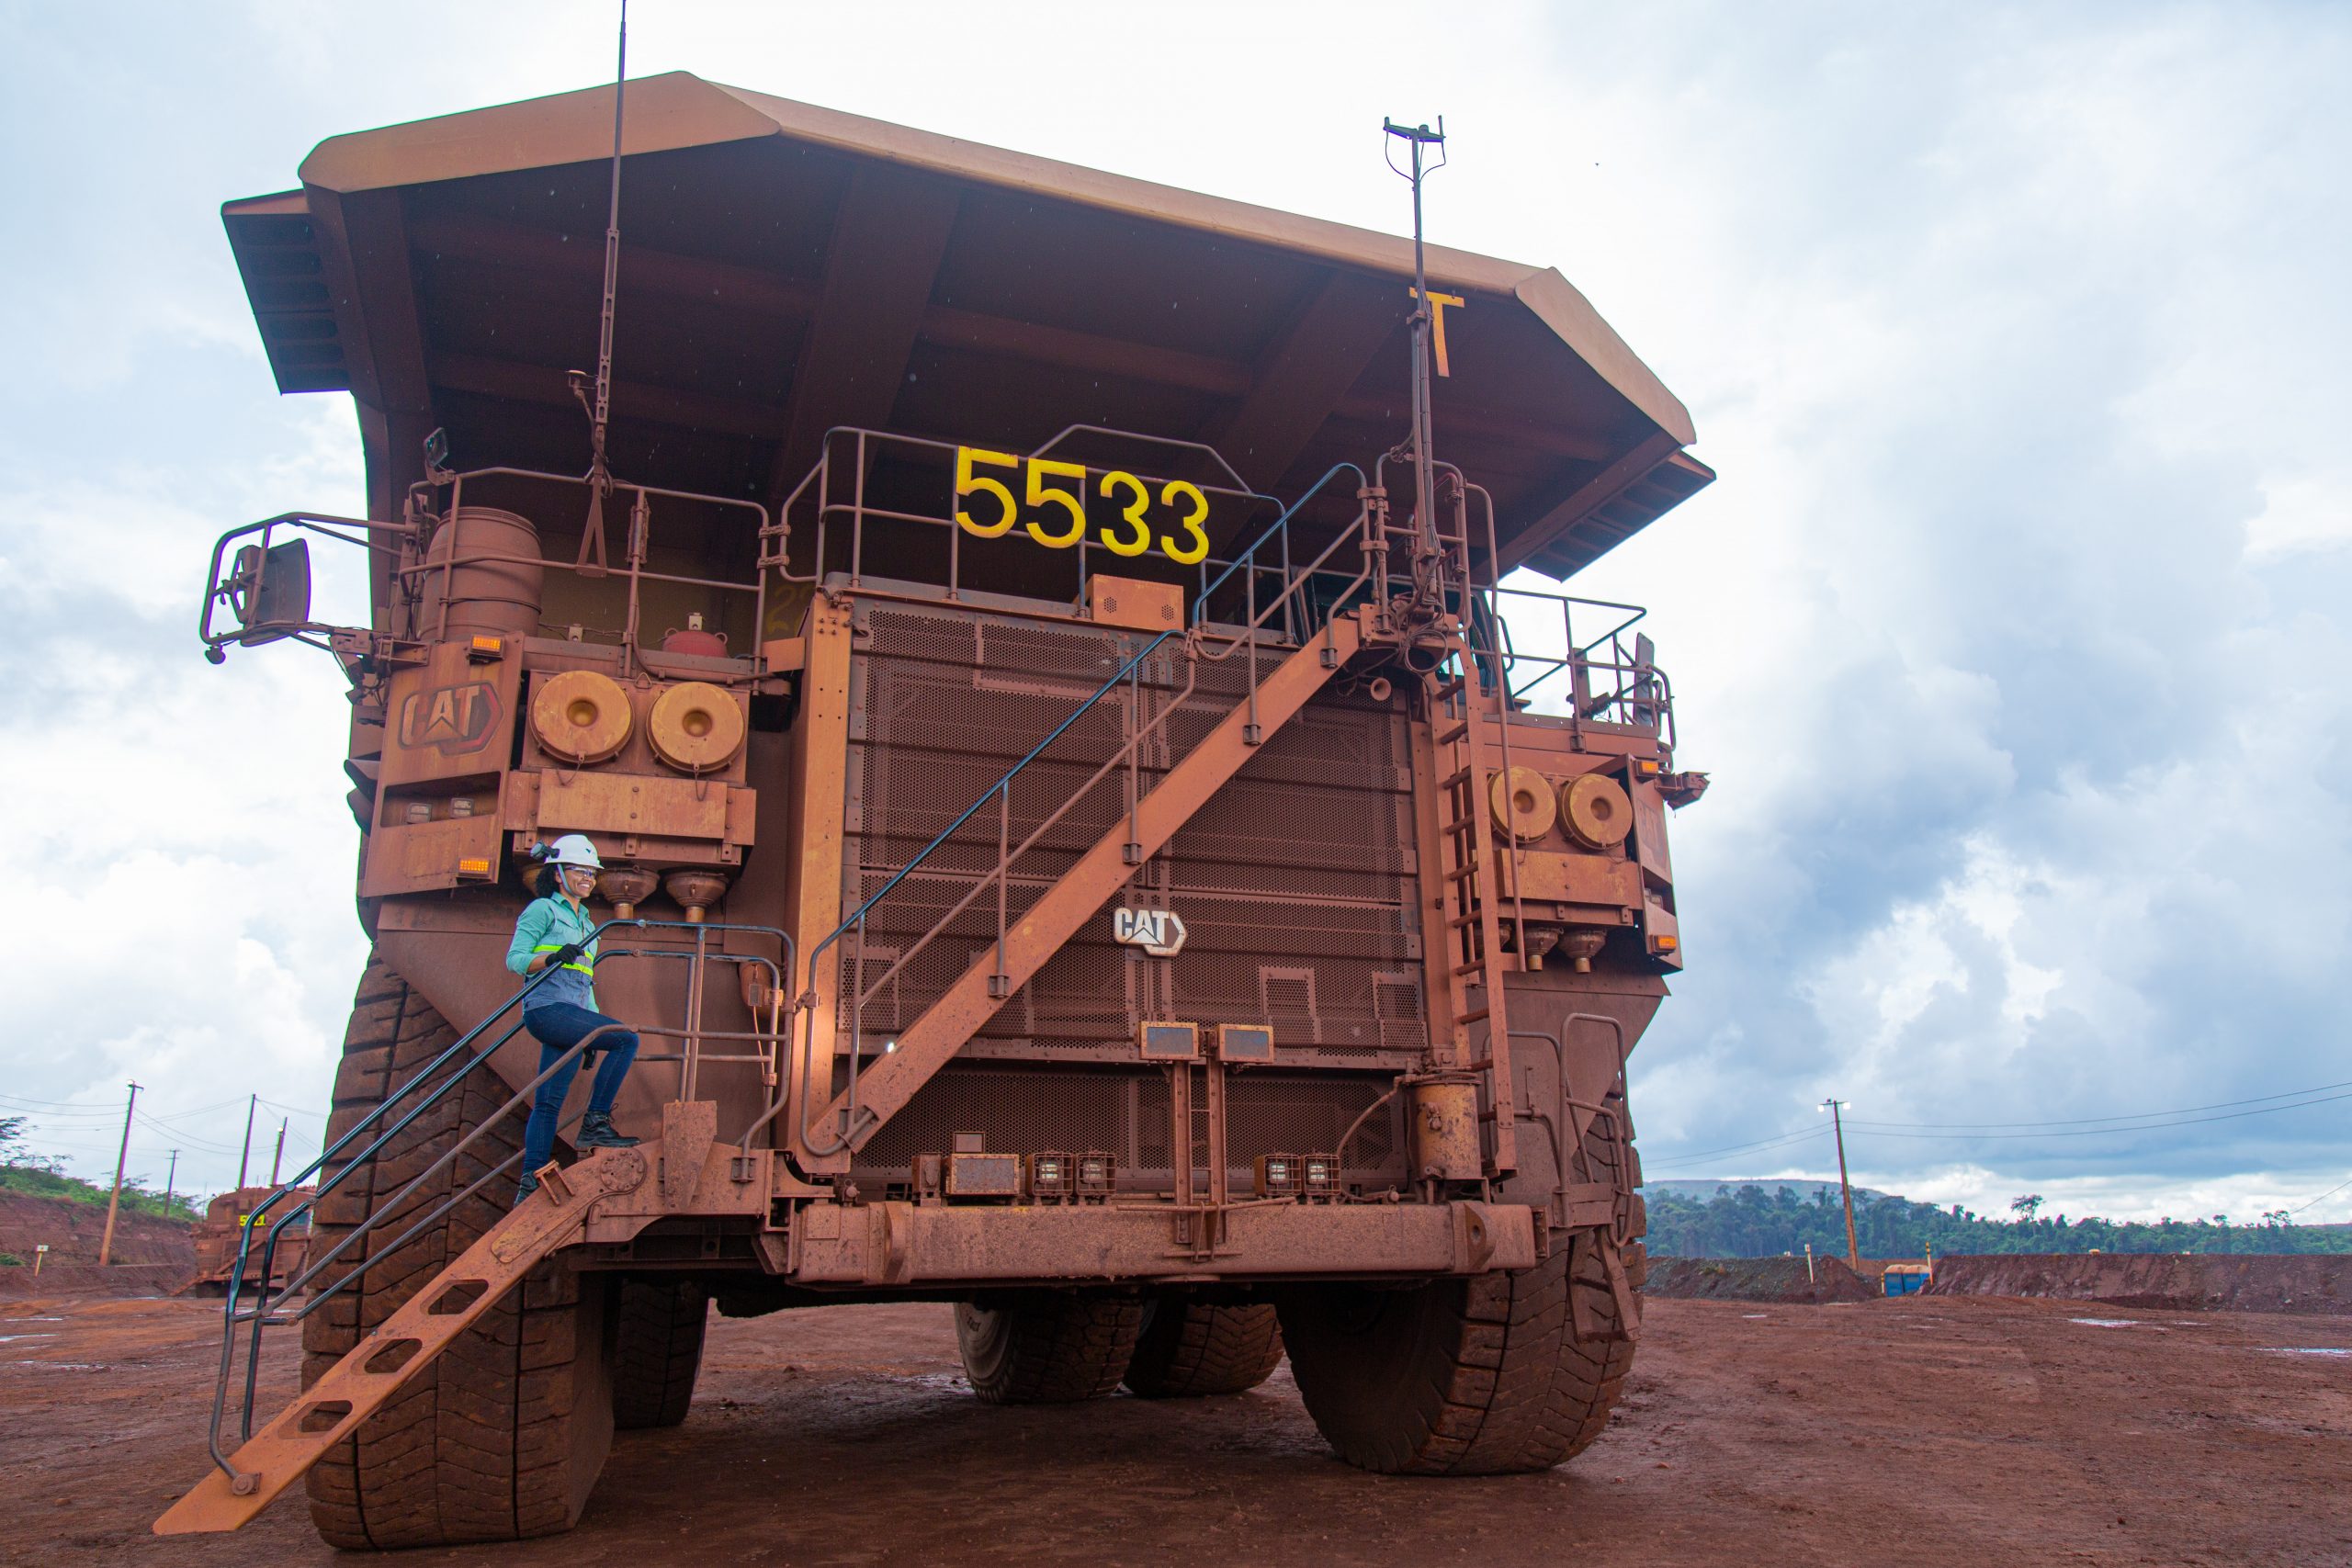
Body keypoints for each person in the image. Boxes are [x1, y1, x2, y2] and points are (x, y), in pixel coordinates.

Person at [505, 834, 639, 1203]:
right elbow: (515, 959)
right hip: (547, 1010)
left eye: (592, 874)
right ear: (559, 873)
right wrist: (549, 958)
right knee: (626, 1039)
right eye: (580, 871)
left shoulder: (586, 922)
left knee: (548, 1102)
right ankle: (595, 1124)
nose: (588, 879)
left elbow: (586, 980)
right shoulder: (541, 911)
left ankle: (529, 1183)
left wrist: (591, 1026)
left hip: (572, 1013)